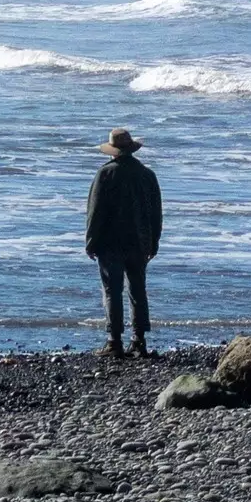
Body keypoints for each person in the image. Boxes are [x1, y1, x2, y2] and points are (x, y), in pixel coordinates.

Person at [85, 127, 162, 358]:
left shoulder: (105, 174)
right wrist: (154, 242)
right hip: (140, 242)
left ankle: (114, 341)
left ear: (113, 151)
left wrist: (90, 242)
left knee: (112, 291)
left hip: (110, 242)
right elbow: (156, 214)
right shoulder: (147, 175)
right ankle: (139, 341)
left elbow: (95, 212)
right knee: (138, 291)